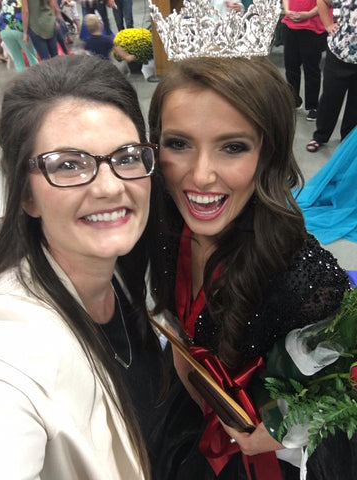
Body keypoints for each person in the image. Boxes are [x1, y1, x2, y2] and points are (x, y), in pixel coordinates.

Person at [148, 56, 350, 479]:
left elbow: (343, 383)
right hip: (187, 407)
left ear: (268, 152)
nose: (201, 176)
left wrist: (283, 427)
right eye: (179, 143)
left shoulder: (304, 276)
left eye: (233, 146)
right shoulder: (163, 230)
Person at [0, 54, 164, 479]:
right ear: (25, 195)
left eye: (126, 157)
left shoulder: (120, 275)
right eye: (68, 165)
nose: (110, 187)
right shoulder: (13, 351)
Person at [306, 0, 357, 153]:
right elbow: (322, 1)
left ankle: (347, 140)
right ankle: (320, 136)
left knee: (355, 103)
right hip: (339, 52)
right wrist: (328, 25)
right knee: (330, 97)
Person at [281, 0, 327, 120]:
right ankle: (294, 100)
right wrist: (287, 11)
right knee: (290, 66)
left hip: (312, 27)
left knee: (311, 69)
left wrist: (308, 14)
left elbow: (326, 2)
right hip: (290, 24)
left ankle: (313, 106)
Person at [0, 0, 38, 72]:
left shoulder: (4, 1)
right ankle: (38, 78)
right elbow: (26, 12)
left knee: (18, 59)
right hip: (20, 29)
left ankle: (23, 81)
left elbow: (0, 17)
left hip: (4, 31)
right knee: (31, 57)